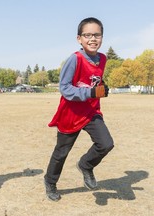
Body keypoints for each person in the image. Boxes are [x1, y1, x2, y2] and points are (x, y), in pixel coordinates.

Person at [44, 17, 114, 201]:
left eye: (97, 35)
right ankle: (50, 182)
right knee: (61, 152)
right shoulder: (74, 59)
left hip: (91, 112)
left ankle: (86, 165)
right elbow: (65, 88)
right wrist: (91, 92)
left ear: (102, 37)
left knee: (106, 143)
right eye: (87, 35)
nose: (92, 39)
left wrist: (101, 88)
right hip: (71, 114)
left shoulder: (103, 59)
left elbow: (93, 80)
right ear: (79, 39)